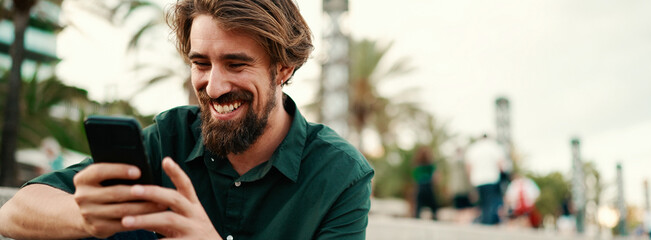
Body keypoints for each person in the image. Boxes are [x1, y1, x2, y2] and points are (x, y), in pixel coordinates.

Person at [0, 0, 374, 239]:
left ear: (283, 68)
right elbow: (13, 213)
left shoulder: (340, 175)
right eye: (201, 63)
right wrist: (84, 216)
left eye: (236, 64)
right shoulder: (169, 136)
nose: (213, 87)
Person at [464, 133, 507, 225]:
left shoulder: (473, 148)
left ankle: (484, 221)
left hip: (477, 180)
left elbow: (468, 166)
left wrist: (470, 180)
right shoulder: (494, 146)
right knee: (491, 203)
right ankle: (487, 223)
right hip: (492, 179)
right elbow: (500, 164)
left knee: (482, 203)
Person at [411, 146, 439, 220]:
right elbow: (435, 177)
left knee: (419, 205)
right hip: (428, 186)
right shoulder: (431, 166)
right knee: (433, 204)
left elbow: (415, 178)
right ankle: (435, 216)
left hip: (421, 186)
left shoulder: (417, 166)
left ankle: (417, 217)